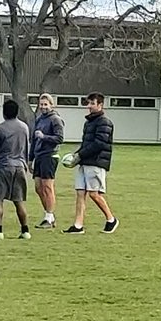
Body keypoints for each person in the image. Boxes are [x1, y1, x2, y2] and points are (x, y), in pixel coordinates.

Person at [62, 92, 119, 234]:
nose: (89, 106)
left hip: (96, 163)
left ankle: (111, 219)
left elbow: (99, 144)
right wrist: (76, 156)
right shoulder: (88, 123)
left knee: (94, 194)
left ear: (100, 105)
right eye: (88, 103)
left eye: (92, 103)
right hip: (85, 162)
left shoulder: (104, 122)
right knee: (80, 192)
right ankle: (78, 225)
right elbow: (86, 144)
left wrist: (80, 155)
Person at [0, 99, 31, 240]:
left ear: (4, 112)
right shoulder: (24, 128)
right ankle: (25, 230)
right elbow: (26, 148)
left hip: (3, 166)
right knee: (19, 200)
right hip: (19, 166)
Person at [29, 92, 65, 229]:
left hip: (49, 155)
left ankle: (48, 218)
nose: (43, 107)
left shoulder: (55, 119)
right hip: (39, 156)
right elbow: (34, 140)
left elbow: (59, 138)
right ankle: (50, 215)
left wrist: (44, 137)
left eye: (46, 104)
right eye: (41, 104)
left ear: (51, 105)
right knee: (38, 187)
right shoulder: (39, 119)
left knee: (47, 187)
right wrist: (30, 159)